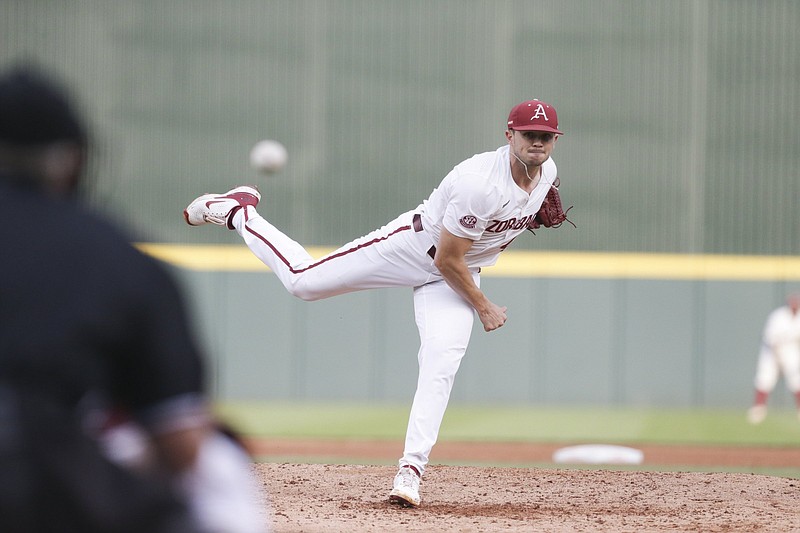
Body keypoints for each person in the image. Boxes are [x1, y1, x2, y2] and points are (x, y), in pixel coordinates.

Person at [184, 99, 566, 507]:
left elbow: (476, 246)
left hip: (457, 272)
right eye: (529, 134)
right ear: (510, 135)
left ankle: (411, 471)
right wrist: (484, 306)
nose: (538, 142)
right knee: (303, 283)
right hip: (416, 248)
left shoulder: (547, 176)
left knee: (442, 362)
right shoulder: (479, 184)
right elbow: (446, 259)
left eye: (546, 137)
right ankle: (239, 212)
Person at [0, 67, 269, 533]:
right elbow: (181, 448)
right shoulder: (118, 259)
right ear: (73, 159)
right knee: (218, 465)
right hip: (52, 497)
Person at [747, 293, 800, 424]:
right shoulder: (778, 316)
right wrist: (777, 355)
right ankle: (758, 410)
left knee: (796, 381)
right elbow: (769, 337)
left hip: (790, 351)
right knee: (765, 379)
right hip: (772, 352)